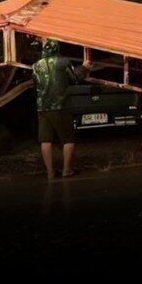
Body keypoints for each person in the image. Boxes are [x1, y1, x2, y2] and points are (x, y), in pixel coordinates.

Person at [33, 39, 88, 180]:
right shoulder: (63, 62)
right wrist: (84, 68)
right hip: (61, 106)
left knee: (45, 140)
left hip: (42, 107)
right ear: (57, 48)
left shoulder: (36, 65)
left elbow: (35, 83)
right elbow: (74, 78)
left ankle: (50, 172)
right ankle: (67, 170)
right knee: (68, 139)